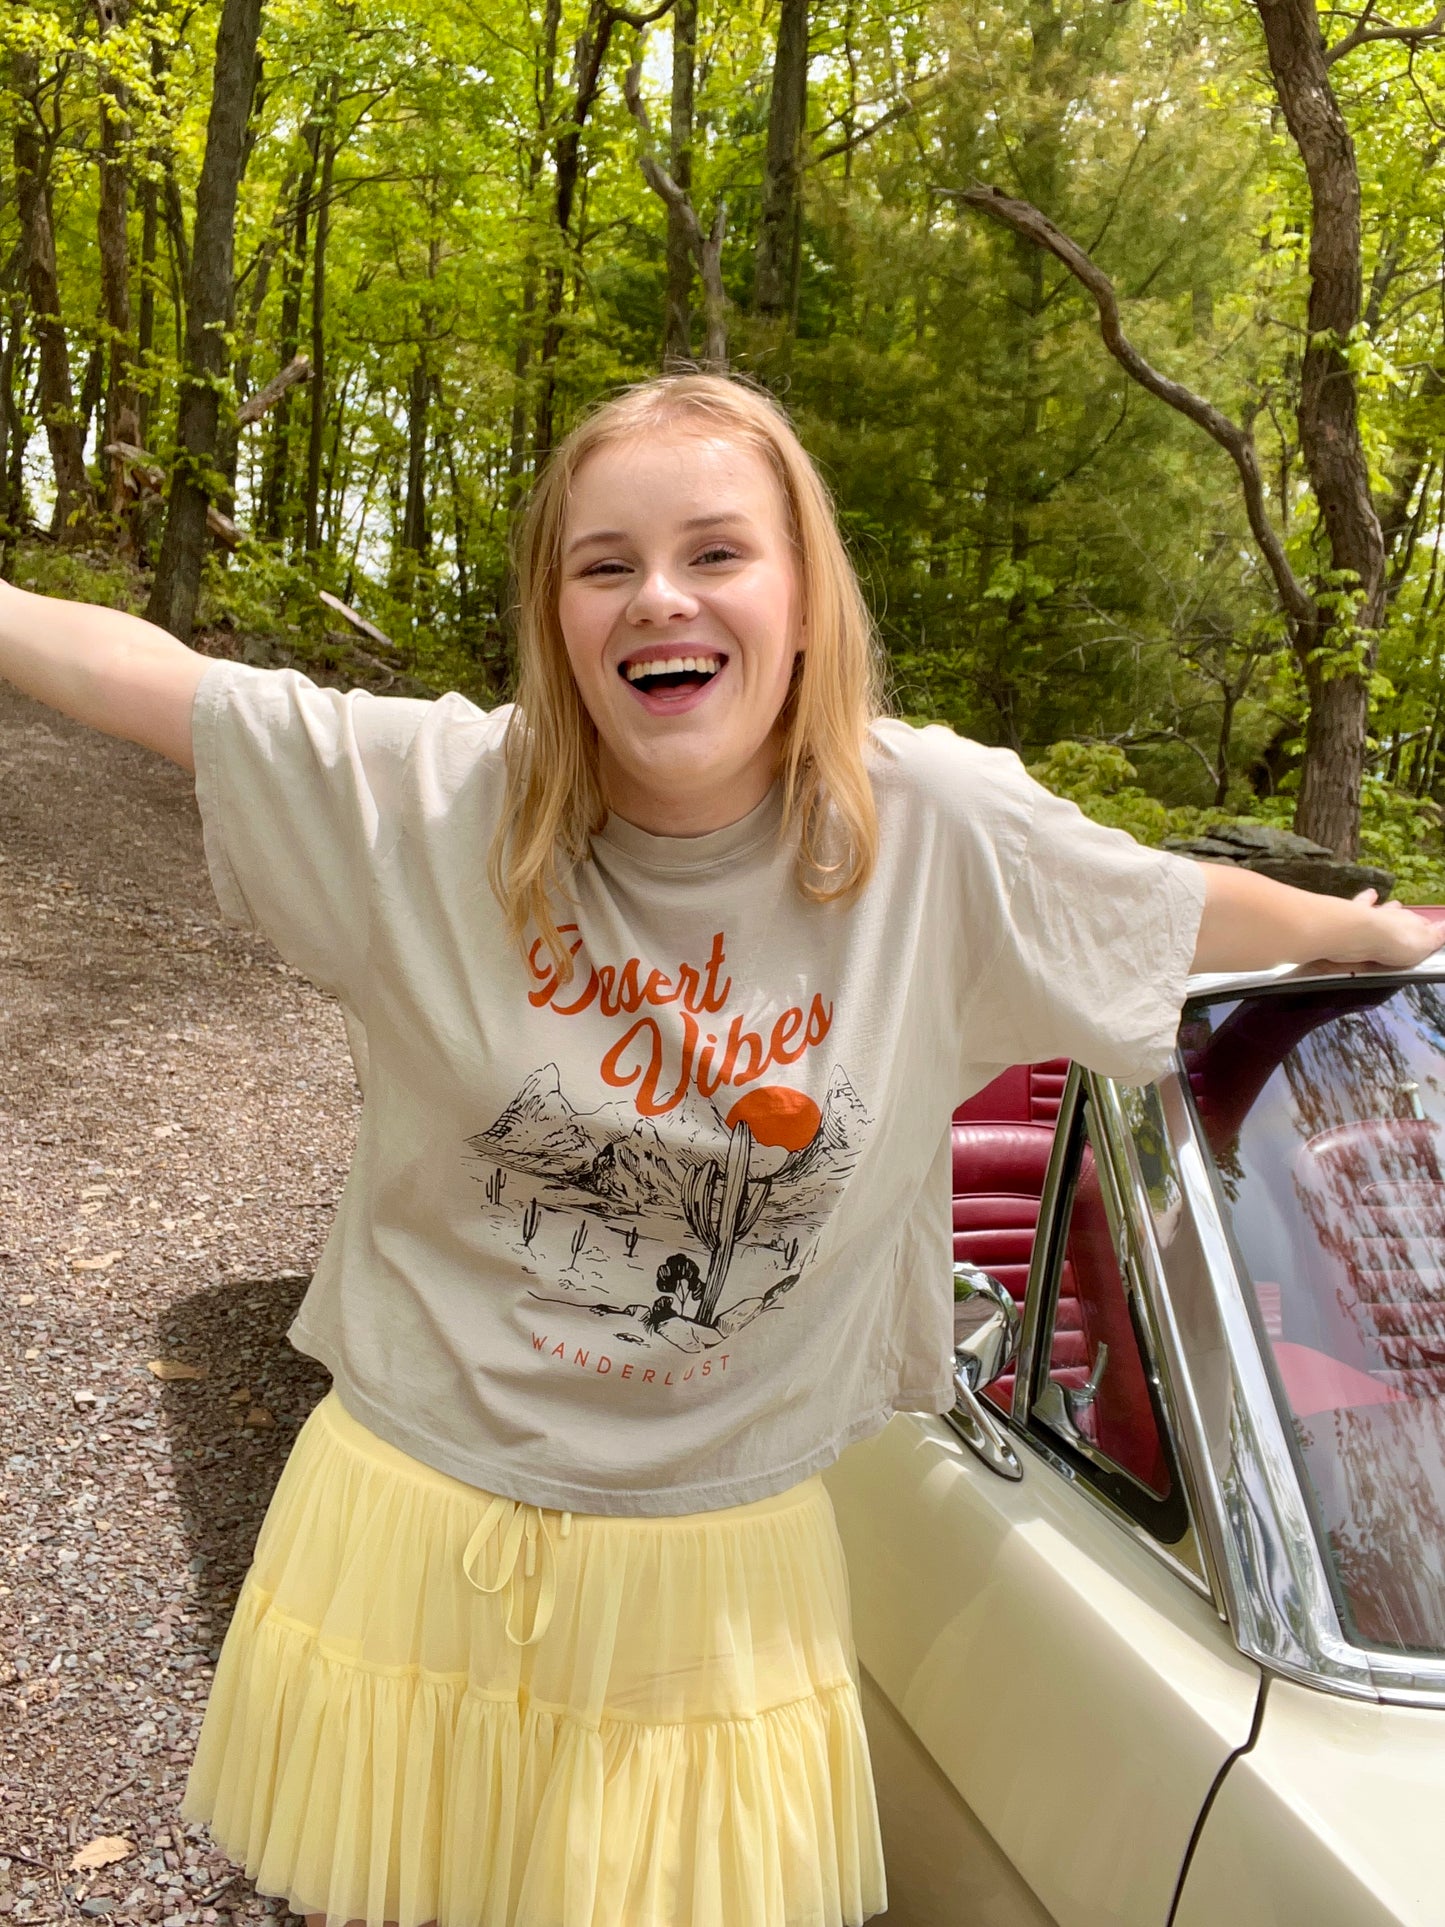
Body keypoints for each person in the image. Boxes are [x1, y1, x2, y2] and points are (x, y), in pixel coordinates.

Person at [1, 372, 1439, 1927]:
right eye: (600, 563)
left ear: (805, 595)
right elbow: (130, 671)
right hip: (409, 1509)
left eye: (715, 553)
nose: (656, 597)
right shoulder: (428, 797)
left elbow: (1163, 910)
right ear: (554, 615)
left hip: (713, 1563)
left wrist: (1358, 931)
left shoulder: (935, 830)